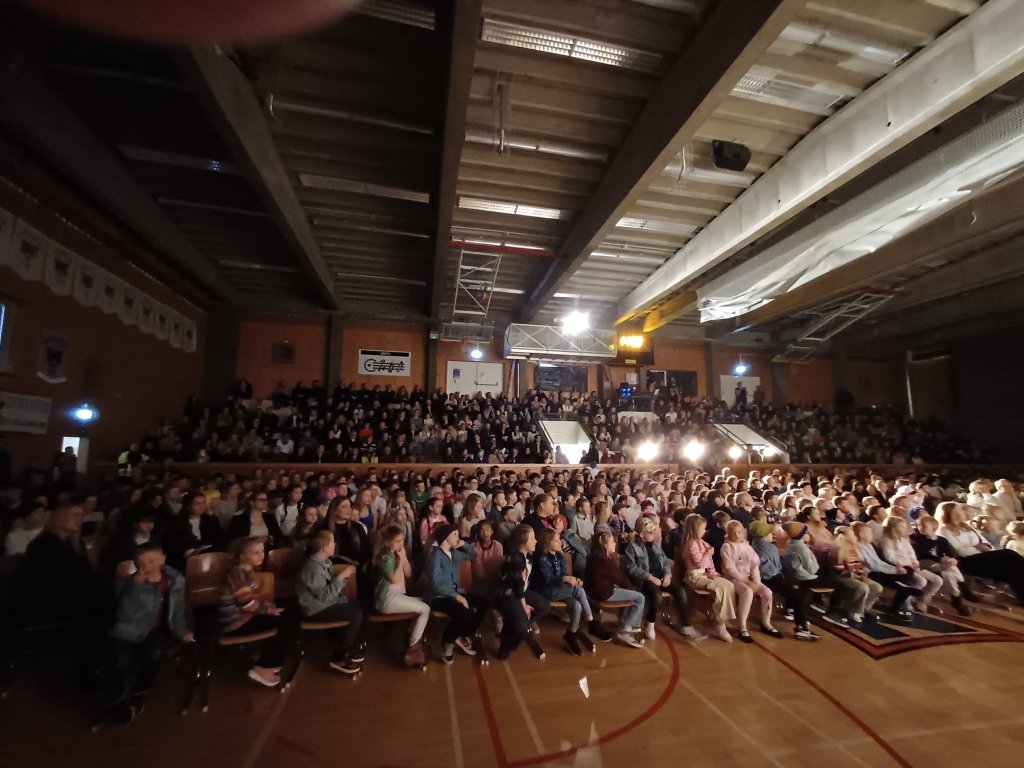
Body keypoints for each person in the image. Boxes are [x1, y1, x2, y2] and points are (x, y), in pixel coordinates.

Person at [104, 543, 192, 723]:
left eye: (151, 561)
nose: (146, 567)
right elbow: (124, 613)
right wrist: (135, 587)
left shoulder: (175, 580)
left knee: (155, 653)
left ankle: (140, 690)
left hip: (156, 628)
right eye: (141, 563)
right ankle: (116, 699)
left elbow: (177, 610)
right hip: (130, 626)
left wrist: (182, 631)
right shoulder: (131, 582)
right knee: (120, 659)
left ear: (162, 559)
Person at [219, 537, 298, 687]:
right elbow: (247, 604)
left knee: (288, 612)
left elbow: (255, 598)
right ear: (242, 556)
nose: (261, 555)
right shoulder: (238, 573)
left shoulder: (246, 570)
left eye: (262, 551)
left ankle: (273, 660)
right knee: (284, 622)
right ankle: (264, 667)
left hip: (246, 616)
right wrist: (269, 610)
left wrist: (271, 608)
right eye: (256, 553)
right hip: (236, 622)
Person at [621, 517, 705, 642]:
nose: (653, 534)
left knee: (680, 591)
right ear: (642, 534)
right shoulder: (632, 547)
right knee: (656, 595)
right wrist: (650, 577)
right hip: (644, 580)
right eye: (650, 532)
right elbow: (631, 568)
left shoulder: (656, 545)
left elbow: (665, 561)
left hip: (660, 578)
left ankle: (685, 625)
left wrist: (667, 574)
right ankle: (650, 622)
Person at [297, 531, 364, 675]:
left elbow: (331, 589)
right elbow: (324, 596)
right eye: (332, 542)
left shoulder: (324, 563)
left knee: (359, 604)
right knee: (355, 614)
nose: (335, 544)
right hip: (315, 609)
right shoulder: (312, 568)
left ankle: (348, 645)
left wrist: (343, 577)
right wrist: (340, 577)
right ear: (323, 548)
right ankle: (340, 656)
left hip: (326, 603)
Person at [422, 524, 488, 665]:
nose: (458, 537)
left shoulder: (454, 553)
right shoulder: (435, 556)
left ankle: (462, 633)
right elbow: (436, 584)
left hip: (455, 594)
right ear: (446, 537)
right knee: (463, 612)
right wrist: (457, 597)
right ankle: (447, 641)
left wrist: (465, 545)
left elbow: (473, 555)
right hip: (439, 597)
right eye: (455, 534)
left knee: (483, 603)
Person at [530, 528, 603, 654]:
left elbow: (563, 574)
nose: (560, 542)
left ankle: (571, 634)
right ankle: (591, 622)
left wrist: (573, 580)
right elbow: (547, 580)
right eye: (556, 540)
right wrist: (566, 579)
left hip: (560, 589)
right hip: (545, 591)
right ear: (547, 543)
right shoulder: (541, 558)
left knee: (577, 605)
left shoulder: (559, 555)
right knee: (579, 591)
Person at [373, 525, 430, 666]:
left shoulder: (398, 555)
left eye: (402, 540)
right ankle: (413, 647)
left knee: (426, 602)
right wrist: (399, 561)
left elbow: (409, 573)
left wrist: (403, 558)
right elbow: (394, 579)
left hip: (397, 597)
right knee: (425, 609)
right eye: (397, 541)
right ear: (387, 543)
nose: (401, 544)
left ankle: (411, 636)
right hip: (386, 600)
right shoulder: (385, 558)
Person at [679, 513, 737, 642]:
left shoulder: (701, 542)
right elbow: (699, 563)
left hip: (704, 574)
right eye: (703, 528)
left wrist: (709, 552)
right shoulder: (691, 543)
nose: (705, 531)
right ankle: (719, 623)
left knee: (729, 585)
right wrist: (707, 553)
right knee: (720, 588)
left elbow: (707, 559)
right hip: (694, 576)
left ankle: (721, 618)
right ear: (695, 529)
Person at [494, 525, 549, 660]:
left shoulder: (527, 556)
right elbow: (517, 584)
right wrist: (523, 605)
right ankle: (506, 646)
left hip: (520, 593)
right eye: (533, 538)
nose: (536, 541)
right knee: (521, 627)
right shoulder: (515, 558)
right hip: (507, 595)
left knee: (544, 606)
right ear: (523, 543)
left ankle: (513, 625)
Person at [719, 520, 780, 642]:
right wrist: (746, 582)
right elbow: (730, 569)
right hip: (734, 578)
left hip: (749, 578)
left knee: (767, 592)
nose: (737, 535)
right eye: (734, 532)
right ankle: (742, 626)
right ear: (728, 533)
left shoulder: (748, 547)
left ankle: (766, 622)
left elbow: (755, 565)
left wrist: (756, 581)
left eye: (739, 532)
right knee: (747, 592)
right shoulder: (727, 547)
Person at [585, 531, 645, 648]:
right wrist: (633, 590)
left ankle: (623, 623)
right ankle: (626, 629)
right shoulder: (604, 561)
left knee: (631, 593)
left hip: (595, 590)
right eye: (612, 541)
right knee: (640, 598)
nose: (614, 544)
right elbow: (620, 578)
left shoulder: (595, 557)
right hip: (603, 593)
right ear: (604, 545)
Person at [749, 520, 810, 634]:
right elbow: (767, 570)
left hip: (773, 576)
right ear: (763, 535)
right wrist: (782, 576)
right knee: (796, 594)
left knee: (797, 585)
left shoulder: (761, 545)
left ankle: (791, 609)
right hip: (769, 578)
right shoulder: (763, 548)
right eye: (770, 533)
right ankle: (801, 627)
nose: (772, 534)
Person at [852, 522, 921, 620]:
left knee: (908, 570)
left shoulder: (868, 545)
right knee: (901, 578)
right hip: (870, 573)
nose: (872, 534)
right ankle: (898, 591)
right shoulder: (859, 547)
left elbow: (879, 562)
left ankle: (899, 586)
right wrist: (894, 570)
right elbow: (873, 566)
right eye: (870, 532)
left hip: (879, 570)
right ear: (861, 534)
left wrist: (895, 569)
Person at [910, 514, 970, 616]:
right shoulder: (917, 538)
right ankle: (961, 588)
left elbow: (951, 554)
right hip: (925, 563)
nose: (920, 528)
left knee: (948, 571)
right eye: (919, 525)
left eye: (924, 526)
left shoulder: (942, 540)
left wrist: (952, 559)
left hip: (942, 564)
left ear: (933, 527)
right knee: (947, 568)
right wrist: (941, 560)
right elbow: (923, 554)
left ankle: (956, 594)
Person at [780, 522, 831, 639]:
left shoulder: (791, 543)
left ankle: (793, 612)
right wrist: (814, 558)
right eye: (806, 532)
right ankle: (803, 626)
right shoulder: (801, 547)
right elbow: (813, 569)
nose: (809, 534)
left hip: (795, 577)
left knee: (800, 596)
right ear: (801, 534)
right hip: (804, 577)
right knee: (838, 583)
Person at [879, 517, 940, 613]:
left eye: (905, 526)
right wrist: (908, 566)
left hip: (913, 567)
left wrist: (915, 563)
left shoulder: (904, 540)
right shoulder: (887, 541)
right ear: (894, 528)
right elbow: (890, 557)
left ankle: (920, 599)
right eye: (902, 527)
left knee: (937, 580)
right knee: (922, 581)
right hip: (902, 568)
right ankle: (906, 600)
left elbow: (911, 554)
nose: (905, 529)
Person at [831, 526, 882, 624]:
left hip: (855, 575)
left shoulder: (855, 548)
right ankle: (851, 610)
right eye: (853, 534)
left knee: (877, 587)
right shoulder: (837, 549)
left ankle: (863, 609)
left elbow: (859, 565)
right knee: (862, 587)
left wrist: (861, 574)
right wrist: (853, 574)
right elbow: (837, 569)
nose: (855, 536)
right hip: (842, 577)